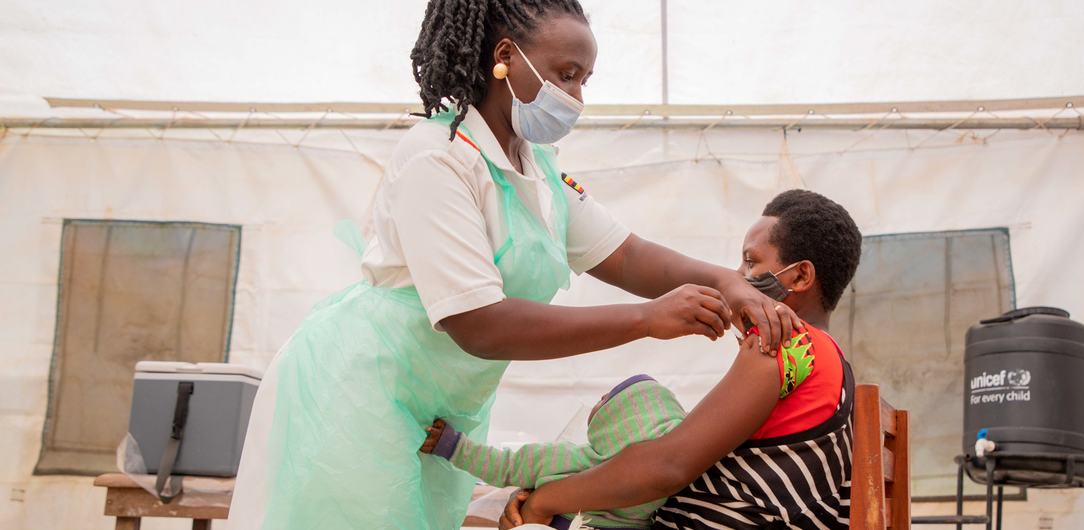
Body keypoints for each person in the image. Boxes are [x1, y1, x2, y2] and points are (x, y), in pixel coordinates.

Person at [225, 1, 798, 528]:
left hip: (438, 406)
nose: (576, 98)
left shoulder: (539, 169)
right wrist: (647, 319)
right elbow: (480, 323)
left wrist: (728, 281)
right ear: (505, 57)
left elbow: (625, 255)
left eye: (584, 81)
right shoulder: (438, 158)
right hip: (362, 392)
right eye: (566, 74)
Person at [502, 190, 864, 530]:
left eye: (751, 262)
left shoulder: (783, 342)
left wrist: (543, 503)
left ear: (800, 276)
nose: (737, 277)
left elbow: (667, 466)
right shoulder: (830, 360)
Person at [421, 375, 685, 529]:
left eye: (604, 398)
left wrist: (454, 446)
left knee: (484, 507)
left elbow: (503, 466)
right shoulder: (669, 491)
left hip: (547, 521)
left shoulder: (566, 459)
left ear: (612, 418)